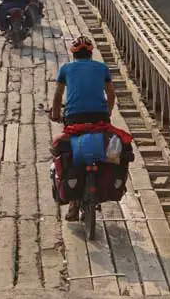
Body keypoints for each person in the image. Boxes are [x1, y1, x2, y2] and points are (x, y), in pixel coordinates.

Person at [49, 35, 116, 221]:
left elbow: (57, 96)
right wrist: (107, 113)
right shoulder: (102, 68)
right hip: (99, 118)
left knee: (69, 151)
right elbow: (111, 94)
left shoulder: (66, 69)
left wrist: (55, 113)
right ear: (91, 53)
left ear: (74, 55)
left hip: (74, 118)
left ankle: (73, 203)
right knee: (103, 147)